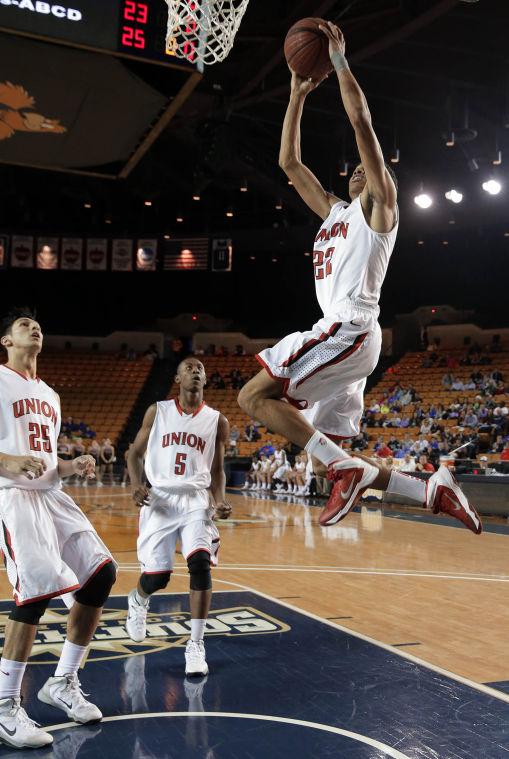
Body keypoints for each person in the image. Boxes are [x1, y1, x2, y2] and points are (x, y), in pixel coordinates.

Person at [237, 21, 482, 536]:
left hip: (348, 329)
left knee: (252, 398)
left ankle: (353, 470)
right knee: (327, 456)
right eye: (351, 169)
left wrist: (341, 61)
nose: (355, 170)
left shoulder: (381, 210)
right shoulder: (334, 213)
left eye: (364, 169)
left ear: (380, 179)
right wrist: (296, 93)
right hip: (345, 339)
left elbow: (360, 120)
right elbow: (288, 161)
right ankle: (430, 489)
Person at [0, 308, 116, 749]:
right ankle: (6, 705)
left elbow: (48, 460)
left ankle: (62, 682)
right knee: (38, 587)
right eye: (23, 325)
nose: (34, 328)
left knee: (100, 574)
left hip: (50, 496)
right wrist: (8, 461)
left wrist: (72, 463)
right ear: (6, 341)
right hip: (12, 495)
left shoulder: (48, 394)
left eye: (37, 325)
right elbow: (15, 458)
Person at [125, 357, 231, 677]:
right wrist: (136, 484)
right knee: (158, 577)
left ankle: (196, 644)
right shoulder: (158, 411)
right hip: (161, 498)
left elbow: (217, 470)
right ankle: (138, 598)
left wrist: (220, 500)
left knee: (199, 562)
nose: (195, 372)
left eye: (200, 369)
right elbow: (134, 454)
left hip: (196, 499)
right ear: (177, 378)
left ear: (205, 380)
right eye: (188, 368)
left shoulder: (217, 420)